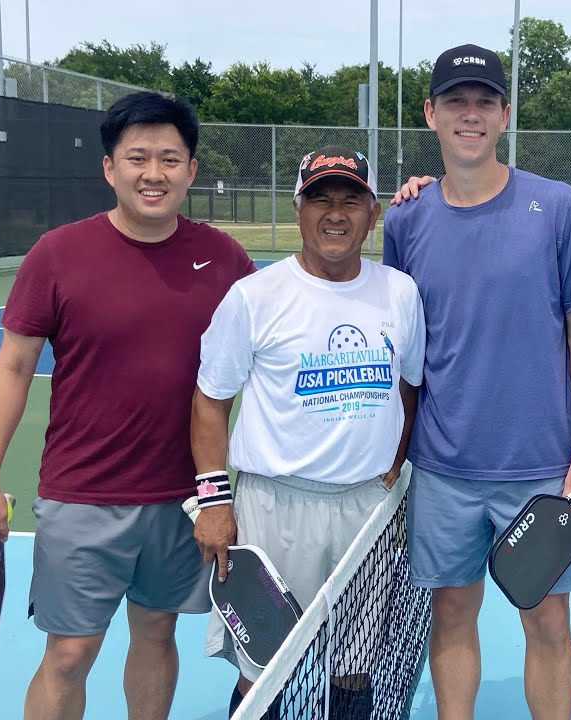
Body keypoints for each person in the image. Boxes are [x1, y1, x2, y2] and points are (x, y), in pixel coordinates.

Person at [0, 91, 256, 720]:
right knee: (69, 652)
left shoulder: (226, 260)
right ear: (109, 168)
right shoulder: (58, 254)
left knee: (156, 634)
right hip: (81, 493)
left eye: (170, 159)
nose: (154, 173)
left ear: (192, 170)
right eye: (138, 157)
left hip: (183, 499)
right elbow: (13, 366)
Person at [383, 43, 571, 720]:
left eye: (485, 102)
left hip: (540, 468)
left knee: (546, 624)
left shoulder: (559, 206)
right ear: (431, 113)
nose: (470, 115)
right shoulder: (405, 219)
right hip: (445, 470)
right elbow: (406, 350)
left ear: (505, 114)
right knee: (451, 616)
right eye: (456, 101)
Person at [191, 145, 425, 718]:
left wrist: (394, 466)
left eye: (352, 200)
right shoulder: (254, 297)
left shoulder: (400, 292)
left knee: (355, 668)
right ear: (298, 210)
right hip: (274, 508)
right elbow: (208, 403)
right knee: (267, 670)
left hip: (366, 511)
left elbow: (411, 388)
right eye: (321, 199)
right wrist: (215, 501)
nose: (336, 213)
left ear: (373, 215)